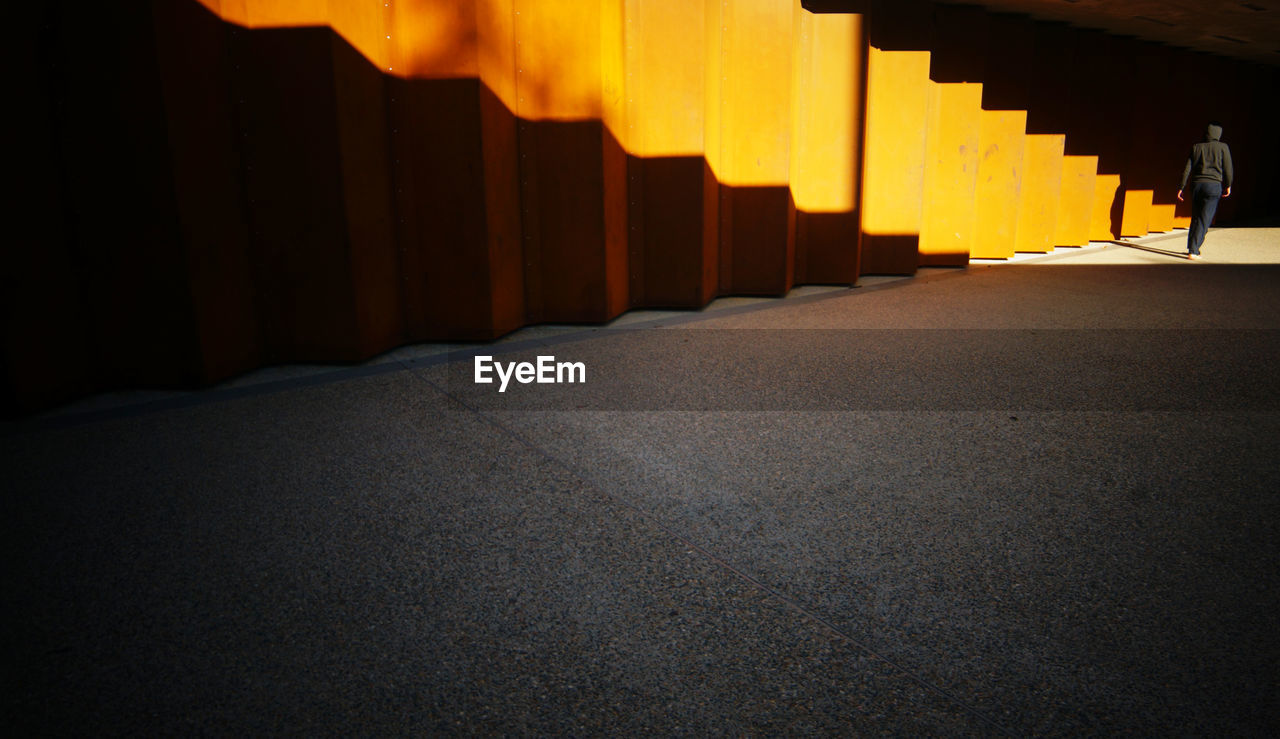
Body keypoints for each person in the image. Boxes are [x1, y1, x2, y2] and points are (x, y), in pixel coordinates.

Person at [1176, 123, 1233, 260]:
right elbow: (1228, 168)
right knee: (1204, 219)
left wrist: (1181, 187)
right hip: (1213, 186)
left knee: (1195, 217)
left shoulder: (1197, 147)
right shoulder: (1223, 147)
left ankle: (1191, 247)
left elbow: (1187, 168)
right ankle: (1194, 250)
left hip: (1197, 185)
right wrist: (1228, 184)